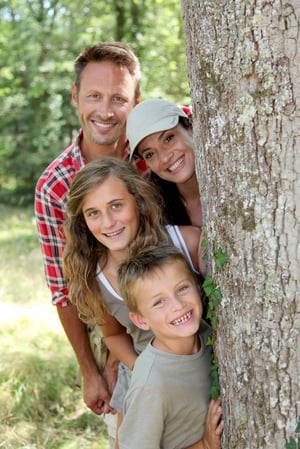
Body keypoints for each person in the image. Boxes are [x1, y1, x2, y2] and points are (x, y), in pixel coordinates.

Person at [34, 41, 144, 433]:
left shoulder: (156, 149)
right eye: (94, 96)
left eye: (119, 98)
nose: (106, 110)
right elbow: (64, 290)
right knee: (130, 431)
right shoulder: (55, 186)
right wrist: (90, 370)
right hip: (111, 327)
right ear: (76, 97)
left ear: (136, 101)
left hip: (178, 309)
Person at [63, 157, 207, 447]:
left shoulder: (185, 243)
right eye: (93, 213)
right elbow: (114, 334)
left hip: (197, 370)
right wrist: (140, 368)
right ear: (83, 221)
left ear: (138, 200)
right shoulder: (97, 277)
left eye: (116, 205)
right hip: (146, 379)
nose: (108, 222)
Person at [117, 243, 224, 449]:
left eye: (182, 288)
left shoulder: (206, 332)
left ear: (197, 286)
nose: (178, 305)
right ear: (140, 320)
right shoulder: (151, 384)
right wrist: (205, 445)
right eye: (159, 302)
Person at [126, 98, 202, 227]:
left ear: (191, 127)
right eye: (150, 154)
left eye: (169, 138)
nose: (165, 158)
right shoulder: (153, 211)